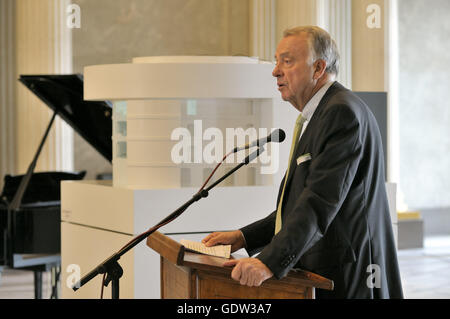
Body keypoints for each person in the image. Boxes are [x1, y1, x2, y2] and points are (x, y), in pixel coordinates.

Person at [202, 26, 403, 299]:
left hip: (347, 278)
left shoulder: (341, 113)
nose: (275, 71)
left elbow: (319, 202)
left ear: (318, 68)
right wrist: (243, 237)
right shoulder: (323, 113)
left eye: (287, 61)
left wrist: (269, 262)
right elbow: (299, 204)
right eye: (276, 61)